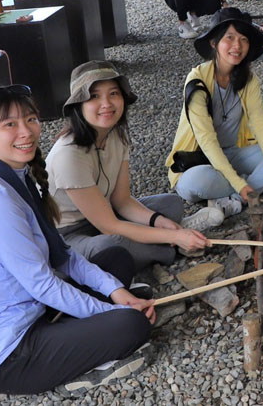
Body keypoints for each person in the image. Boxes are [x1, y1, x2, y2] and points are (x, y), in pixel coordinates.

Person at [0, 85, 154, 396]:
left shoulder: (17, 177)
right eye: (9, 124)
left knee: (117, 260)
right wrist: (114, 312)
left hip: (39, 312)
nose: (26, 132)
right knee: (133, 326)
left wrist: (115, 292)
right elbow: (42, 285)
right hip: (12, 353)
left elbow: (63, 256)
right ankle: (83, 367)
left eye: (31, 119)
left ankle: (101, 316)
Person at [47, 61, 216, 271]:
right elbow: (109, 226)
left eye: (113, 94)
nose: (107, 104)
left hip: (105, 214)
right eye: (94, 96)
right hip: (67, 235)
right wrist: (172, 235)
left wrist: (158, 221)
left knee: (171, 205)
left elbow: (122, 201)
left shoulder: (117, 134)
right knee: (115, 246)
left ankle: (173, 238)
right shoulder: (68, 155)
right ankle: (174, 245)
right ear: (79, 106)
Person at [167, 8, 263, 216]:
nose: (237, 46)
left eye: (243, 39)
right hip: (202, 160)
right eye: (229, 38)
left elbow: (260, 124)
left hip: (235, 154)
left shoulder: (248, 80)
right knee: (198, 181)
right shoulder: (197, 80)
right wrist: (239, 182)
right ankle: (255, 185)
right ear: (214, 42)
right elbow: (207, 140)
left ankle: (236, 199)